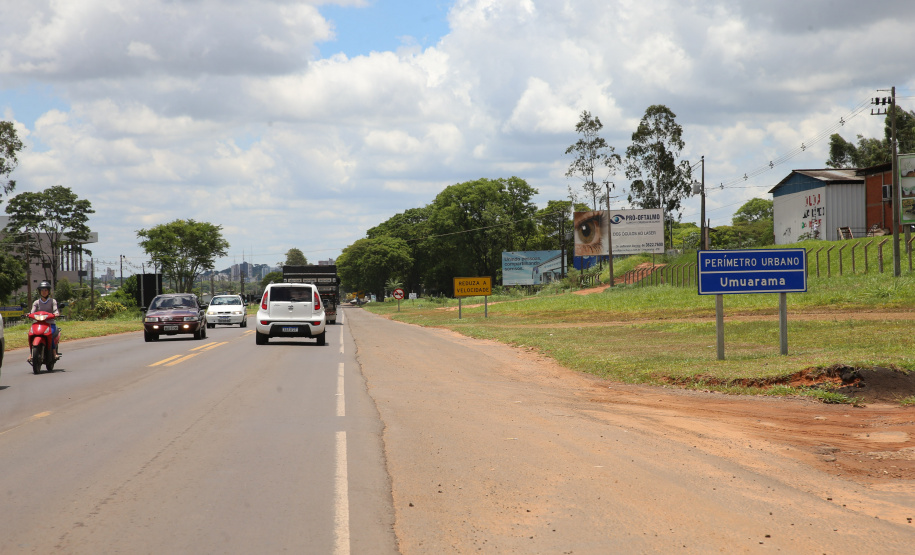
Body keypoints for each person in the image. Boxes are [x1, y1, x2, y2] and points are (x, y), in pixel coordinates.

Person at [30, 280, 61, 360]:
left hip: (50, 323)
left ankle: (54, 353)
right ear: (39, 291)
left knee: (51, 334)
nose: (44, 292)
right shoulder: (36, 302)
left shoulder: (52, 301)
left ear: (48, 291)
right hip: (39, 324)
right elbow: (32, 311)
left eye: (45, 290)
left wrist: (56, 313)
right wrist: (28, 314)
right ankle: (31, 354)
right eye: (42, 290)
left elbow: (55, 310)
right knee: (31, 334)